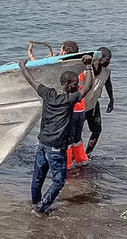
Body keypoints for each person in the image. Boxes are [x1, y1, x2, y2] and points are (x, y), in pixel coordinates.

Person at [19, 55, 94, 216]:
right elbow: (87, 87)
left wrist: (22, 66)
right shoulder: (69, 100)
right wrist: (88, 66)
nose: (77, 86)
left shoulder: (48, 94)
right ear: (67, 85)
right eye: (75, 84)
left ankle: (35, 203)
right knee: (59, 182)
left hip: (42, 143)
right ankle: (40, 208)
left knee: (38, 178)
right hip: (56, 147)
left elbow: (32, 82)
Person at [85, 47, 116, 154]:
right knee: (73, 132)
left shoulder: (106, 72)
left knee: (97, 130)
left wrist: (111, 100)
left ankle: (87, 154)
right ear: (99, 58)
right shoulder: (86, 69)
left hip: (93, 104)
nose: (109, 62)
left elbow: (108, 84)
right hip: (80, 105)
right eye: (107, 59)